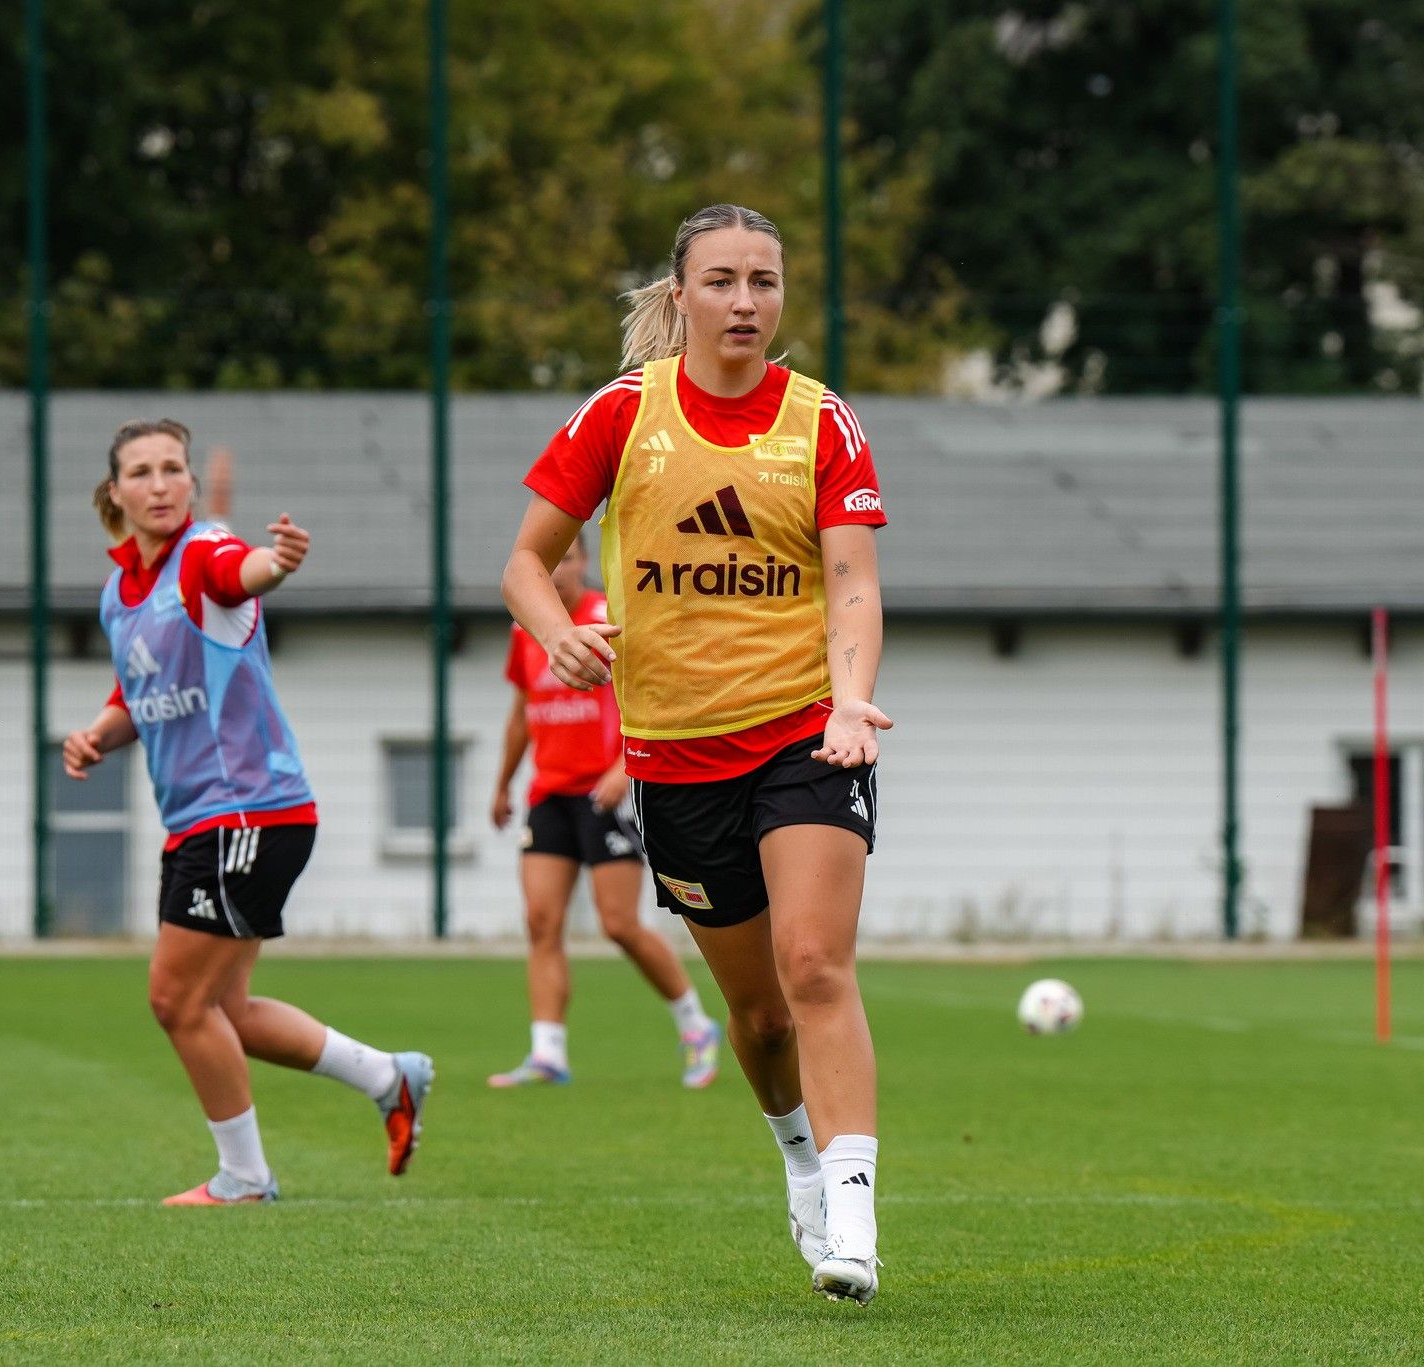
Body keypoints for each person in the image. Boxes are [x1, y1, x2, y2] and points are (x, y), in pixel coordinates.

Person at [501, 205, 892, 1304]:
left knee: (815, 965)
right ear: (680, 297)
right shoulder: (621, 415)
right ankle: (800, 1162)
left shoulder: (823, 422)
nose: (744, 301)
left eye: (763, 281)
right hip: (674, 756)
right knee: (760, 1013)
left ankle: (855, 1212)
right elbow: (526, 565)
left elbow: (853, 580)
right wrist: (560, 632)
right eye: (720, 280)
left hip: (809, 735)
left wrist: (852, 701)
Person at [63, 418, 433, 1204]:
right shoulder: (119, 594)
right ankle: (388, 1077)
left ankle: (245, 1176)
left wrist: (279, 563)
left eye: (174, 468)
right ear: (116, 492)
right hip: (214, 822)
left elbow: (243, 574)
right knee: (223, 1006)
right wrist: (99, 733)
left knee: (174, 999)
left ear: (191, 484)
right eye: (143, 471)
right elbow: (139, 689)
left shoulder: (205, 553)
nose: (161, 483)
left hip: (247, 816)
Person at [487, 532, 722, 1088]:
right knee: (541, 922)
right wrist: (502, 784)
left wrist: (625, 766)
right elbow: (521, 713)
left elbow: (657, 695)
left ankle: (696, 1026)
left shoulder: (611, 616)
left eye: (568, 559)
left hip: (605, 791)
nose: (559, 570)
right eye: (550, 561)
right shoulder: (528, 629)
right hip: (550, 792)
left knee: (618, 924)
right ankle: (548, 1053)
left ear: (586, 562)